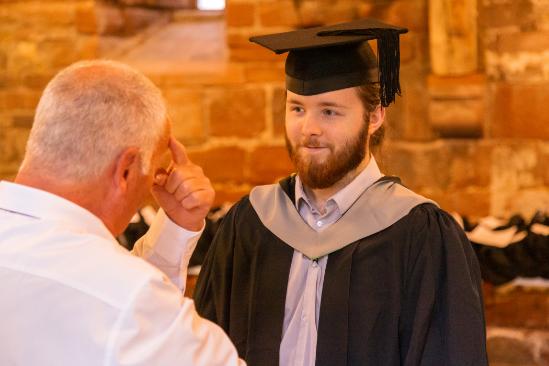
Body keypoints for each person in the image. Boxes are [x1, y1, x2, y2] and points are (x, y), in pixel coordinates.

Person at [193, 19, 488, 366]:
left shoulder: (421, 236)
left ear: (375, 116)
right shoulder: (250, 224)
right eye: (297, 109)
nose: (309, 129)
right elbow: (201, 347)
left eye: (330, 112)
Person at [0, 60, 245, 366]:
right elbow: (118, 298)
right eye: (155, 170)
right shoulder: (130, 299)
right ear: (126, 170)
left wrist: (176, 226)